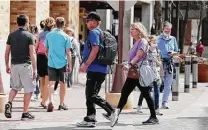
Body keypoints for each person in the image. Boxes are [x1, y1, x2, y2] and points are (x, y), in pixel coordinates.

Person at [110, 22, 159, 127]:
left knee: (146, 95)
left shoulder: (143, 42)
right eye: (131, 29)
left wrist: (130, 64)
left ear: (139, 31)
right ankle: (115, 115)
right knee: (125, 93)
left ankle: (154, 117)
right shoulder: (136, 42)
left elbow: (138, 55)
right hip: (133, 73)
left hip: (140, 72)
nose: (131, 31)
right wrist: (127, 63)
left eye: (133, 29)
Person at [76, 12, 115, 128]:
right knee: (90, 94)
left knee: (91, 95)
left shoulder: (93, 32)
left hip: (95, 68)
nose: (86, 23)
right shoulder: (100, 33)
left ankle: (112, 111)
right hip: (101, 68)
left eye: (88, 20)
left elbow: (95, 48)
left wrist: (86, 64)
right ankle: (90, 118)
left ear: (94, 22)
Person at [4, 14, 36, 120]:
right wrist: (35, 69)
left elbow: (7, 52)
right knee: (29, 89)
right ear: (27, 23)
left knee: (15, 87)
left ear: (17, 23)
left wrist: (6, 65)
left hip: (14, 65)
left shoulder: (11, 35)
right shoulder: (30, 36)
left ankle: (9, 103)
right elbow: (32, 54)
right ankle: (25, 112)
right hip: (25, 65)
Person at [45, 17, 72, 112]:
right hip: (63, 63)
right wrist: (70, 65)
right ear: (64, 25)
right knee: (62, 84)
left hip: (51, 62)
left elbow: (46, 50)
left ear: (55, 24)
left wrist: (50, 58)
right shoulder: (66, 36)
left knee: (51, 83)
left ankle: (50, 102)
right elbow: (68, 52)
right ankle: (61, 104)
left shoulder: (49, 35)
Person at [137, 35, 163, 116]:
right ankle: (139, 105)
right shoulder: (146, 51)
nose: (155, 43)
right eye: (153, 42)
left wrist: (157, 62)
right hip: (148, 72)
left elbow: (159, 63)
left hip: (155, 73)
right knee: (145, 90)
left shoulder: (158, 51)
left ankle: (157, 109)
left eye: (156, 42)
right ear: (149, 42)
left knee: (157, 91)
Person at [157, 21, 178, 109]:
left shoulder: (173, 39)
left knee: (168, 84)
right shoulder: (158, 39)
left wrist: (173, 53)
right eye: (167, 29)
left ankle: (164, 102)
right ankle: (156, 102)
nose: (168, 31)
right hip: (160, 63)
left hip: (170, 63)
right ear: (163, 29)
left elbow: (177, 51)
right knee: (158, 83)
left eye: (169, 30)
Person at [36, 17, 55, 108]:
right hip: (49, 57)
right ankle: (45, 101)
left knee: (41, 80)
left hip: (40, 56)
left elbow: (36, 47)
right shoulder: (52, 35)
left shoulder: (40, 34)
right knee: (48, 81)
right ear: (52, 25)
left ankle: (43, 99)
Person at [29, 25, 40, 102]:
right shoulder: (37, 36)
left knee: (34, 77)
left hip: (34, 57)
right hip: (37, 57)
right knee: (36, 77)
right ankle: (36, 93)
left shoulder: (32, 37)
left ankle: (35, 93)